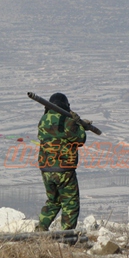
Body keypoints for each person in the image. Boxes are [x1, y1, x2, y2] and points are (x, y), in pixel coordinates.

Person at [37, 92, 87, 231]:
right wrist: (78, 123)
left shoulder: (43, 120)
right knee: (70, 203)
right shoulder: (67, 120)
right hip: (64, 169)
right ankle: (67, 236)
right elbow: (80, 139)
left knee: (53, 201)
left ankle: (41, 230)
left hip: (46, 168)